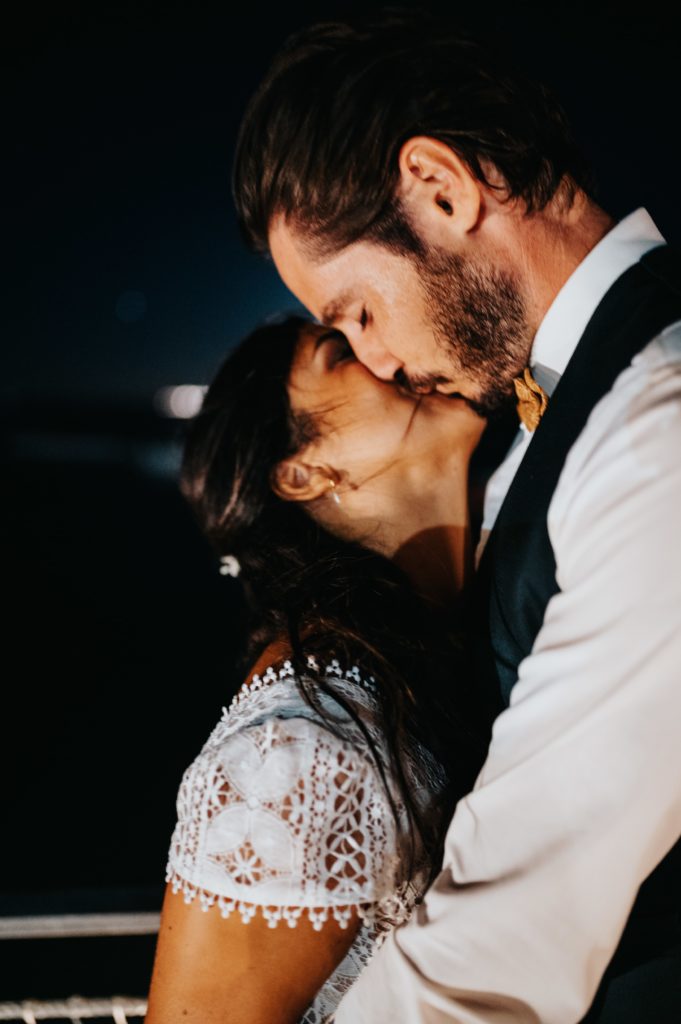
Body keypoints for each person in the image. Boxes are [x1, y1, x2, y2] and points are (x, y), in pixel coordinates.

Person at [229, 8, 681, 1022]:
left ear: (440, 188)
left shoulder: (659, 431)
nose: (377, 362)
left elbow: (511, 932)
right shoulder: (538, 426)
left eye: (356, 310)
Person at [144, 313, 495, 1023]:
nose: (392, 347)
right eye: (341, 353)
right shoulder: (295, 755)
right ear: (302, 472)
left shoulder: (447, 654)